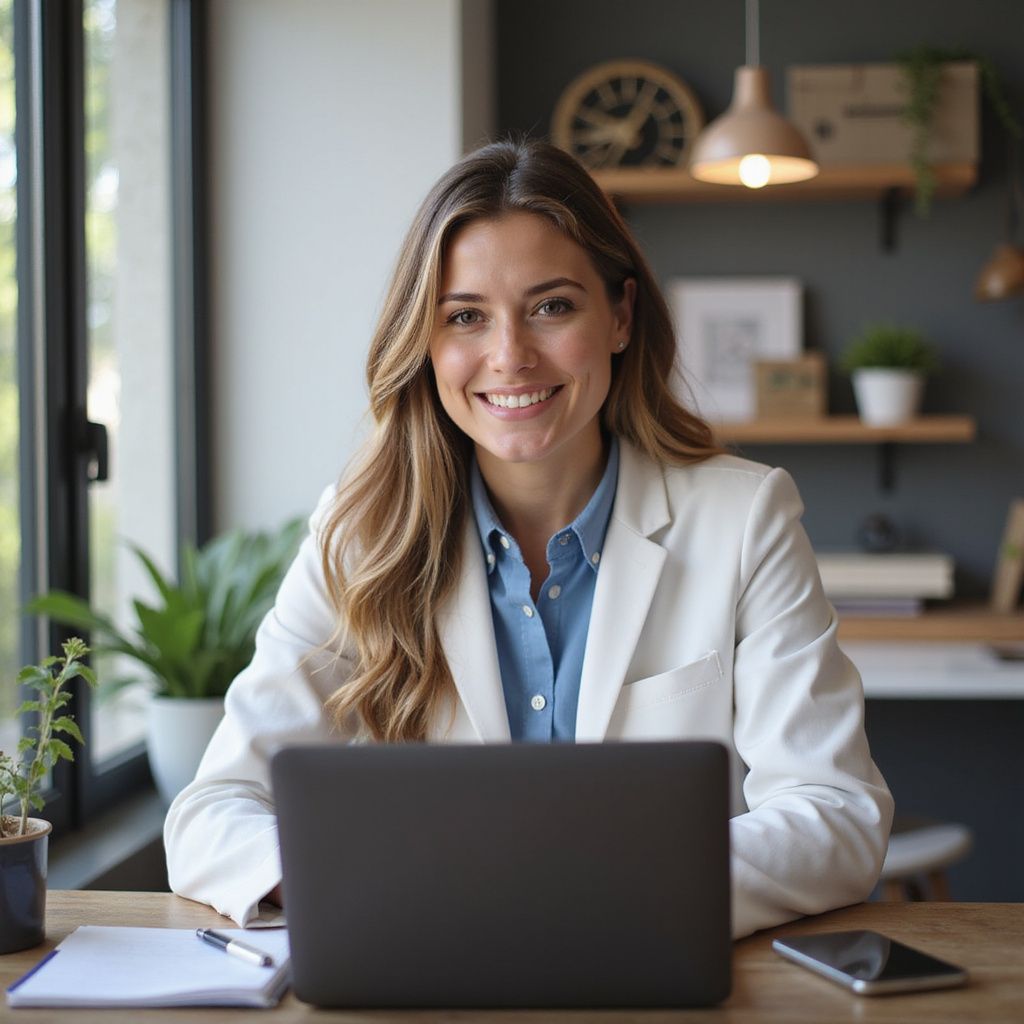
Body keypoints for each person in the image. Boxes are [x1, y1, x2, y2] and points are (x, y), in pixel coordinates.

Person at [164, 140, 893, 939]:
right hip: (429, 979)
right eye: (465, 316)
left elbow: (836, 813)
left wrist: (592, 896)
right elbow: (211, 813)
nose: (509, 356)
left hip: (654, 975)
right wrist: (362, 887)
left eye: (551, 306)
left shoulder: (744, 518)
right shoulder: (361, 534)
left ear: (619, 316)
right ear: (425, 342)